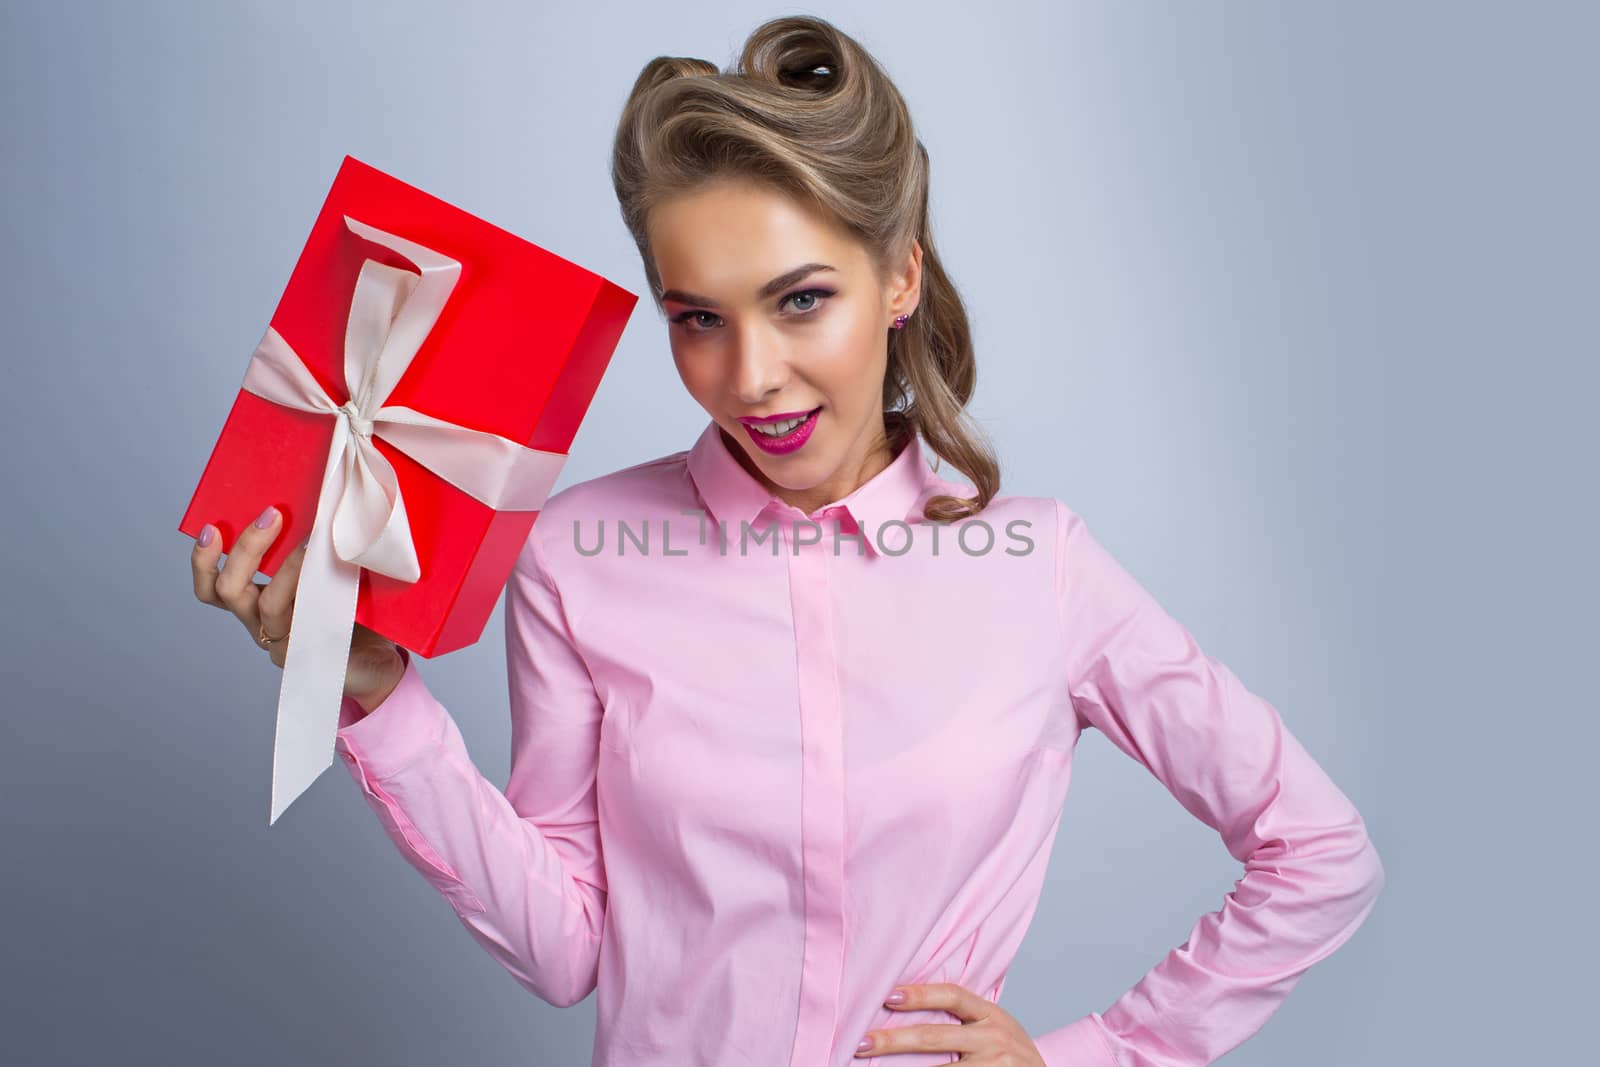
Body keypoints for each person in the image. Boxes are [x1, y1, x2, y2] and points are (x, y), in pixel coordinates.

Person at [187, 15, 1384, 1067]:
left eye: (799, 298)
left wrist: (1095, 1053)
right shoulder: (575, 557)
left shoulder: (1040, 569)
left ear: (899, 275)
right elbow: (565, 950)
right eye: (697, 317)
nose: (750, 376)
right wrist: (376, 697)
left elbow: (1317, 851)